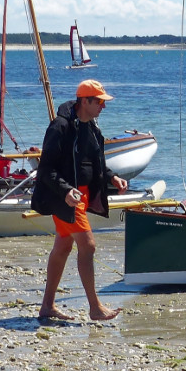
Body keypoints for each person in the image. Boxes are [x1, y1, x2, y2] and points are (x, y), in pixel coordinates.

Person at [31, 79, 128, 322]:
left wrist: (112, 178)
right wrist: (64, 191)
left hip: (80, 197)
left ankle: (47, 306)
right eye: (99, 102)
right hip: (64, 198)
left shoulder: (92, 129)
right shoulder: (60, 127)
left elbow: (95, 166)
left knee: (63, 247)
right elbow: (46, 169)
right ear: (84, 101)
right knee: (88, 246)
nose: (103, 107)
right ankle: (95, 308)